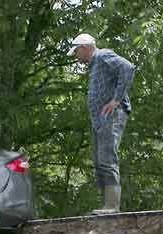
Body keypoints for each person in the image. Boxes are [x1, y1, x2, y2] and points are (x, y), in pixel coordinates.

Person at [68, 33, 136, 214]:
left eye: (76, 52)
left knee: (107, 160)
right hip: (100, 120)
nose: (76, 57)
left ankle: (112, 206)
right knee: (99, 162)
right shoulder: (94, 65)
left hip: (112, 116)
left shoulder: (103, 55)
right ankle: (107, 205)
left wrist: (116, 100)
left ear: (84, 48)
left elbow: (128, 68)